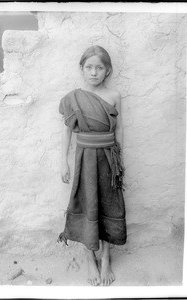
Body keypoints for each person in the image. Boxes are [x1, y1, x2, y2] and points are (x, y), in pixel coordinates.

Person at [58, 45, 126, 286]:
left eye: (99, 67)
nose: (94, 72)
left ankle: (106, 257)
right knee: (88, 205)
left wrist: (119, 162)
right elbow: (67, 133)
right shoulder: (73, 98)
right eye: (89, 67)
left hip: (109, 159)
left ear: (107, 71)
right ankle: (90, 258)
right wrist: (64, 162)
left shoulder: (114, 96)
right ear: (82, 69)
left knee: (109, 204)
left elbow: (119, 129)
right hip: (85, 159)